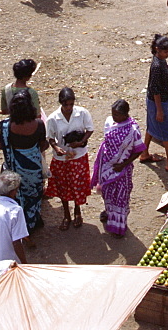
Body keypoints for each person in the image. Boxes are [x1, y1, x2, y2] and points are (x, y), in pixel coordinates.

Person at [91, 100, 145, 238]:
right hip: (107, 166)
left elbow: (138, 150)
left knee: (120, 197)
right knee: (107, 193)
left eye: (117, 115)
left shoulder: (133, 130)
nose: (114, 117)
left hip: (122, 170)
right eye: (113, 114)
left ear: (125, 114)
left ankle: (119, 226)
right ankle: (109, 213)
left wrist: (123, 164)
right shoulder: (110, 122)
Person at [0, 90, 48, 232]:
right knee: (34, 195)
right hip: (33, 170)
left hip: (14, 169)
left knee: (16, 196)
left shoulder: (7, 127)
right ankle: (32, 221)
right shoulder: (38, 124)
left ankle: (18, 225)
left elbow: (1, 145)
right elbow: (42, 144)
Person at [45, 88, 94, 231]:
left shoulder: (82, 113)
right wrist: (56, 148)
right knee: (63, 186)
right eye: (66, 105)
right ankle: (66, 214)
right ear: (61, 103)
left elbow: (89, 129)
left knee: (77, 185)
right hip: (61, 159)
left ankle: (77, 211)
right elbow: (50, 138)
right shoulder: (53, 118)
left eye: (71, 104)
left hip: (78, 156)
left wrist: (80, 142)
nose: (69, 108)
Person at [139, 36, 168, 172]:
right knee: (166, 132)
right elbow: (155, 90)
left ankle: (144, 153)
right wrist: (159, 110)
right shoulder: (157, 66)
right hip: (158, 101)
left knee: (151, 126)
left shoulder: (160, 60)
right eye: (165, 51)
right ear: (157, 49)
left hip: (154, 100)